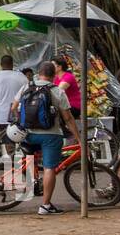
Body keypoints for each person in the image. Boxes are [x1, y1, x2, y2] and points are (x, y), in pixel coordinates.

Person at [8, 61, 80, 215]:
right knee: (49, 168)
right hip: (50, 135)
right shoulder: (57, 91)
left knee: (30, 158)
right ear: (54, 75)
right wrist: (78, 137)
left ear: (38, 73)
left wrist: (21, 123)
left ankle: (32, 180)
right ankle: (45, 205)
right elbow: (68, 118)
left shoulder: (27, 87)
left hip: (27, 135)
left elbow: (14, 107)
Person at [52, 56, 83, 130]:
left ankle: (68, 135)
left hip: (73, 106)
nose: (50, 68)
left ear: (59, 67)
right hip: (64, 105)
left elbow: (58, 91)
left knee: (55, 114)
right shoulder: (55, 78)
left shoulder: (68, 77)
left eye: (52, 65)